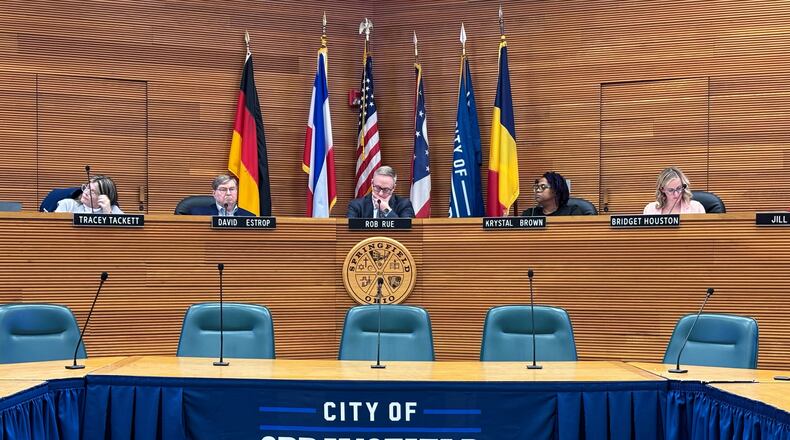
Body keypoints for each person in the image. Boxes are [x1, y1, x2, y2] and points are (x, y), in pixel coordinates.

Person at [347, 166, 414, 218]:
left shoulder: (404, 205)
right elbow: (349, 229)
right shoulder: (356, 205)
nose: (380, 193)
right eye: (377, 188)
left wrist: (386, 209)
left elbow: (406, 228)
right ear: (372, 183)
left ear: (393, 188)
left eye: (386, 189)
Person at [188, 174, 254, 216]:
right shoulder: (198, 214)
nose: (228, 193)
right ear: (214, 193)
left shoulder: (249, 217)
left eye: (232, 189)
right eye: (223, 189)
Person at [55, 175, 123, 214]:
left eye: (92, 192)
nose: (86, 192)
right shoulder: (68, 205)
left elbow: (122, 232)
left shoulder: (113, 210)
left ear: (103, 197)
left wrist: (108, 214)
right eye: (87, 187)